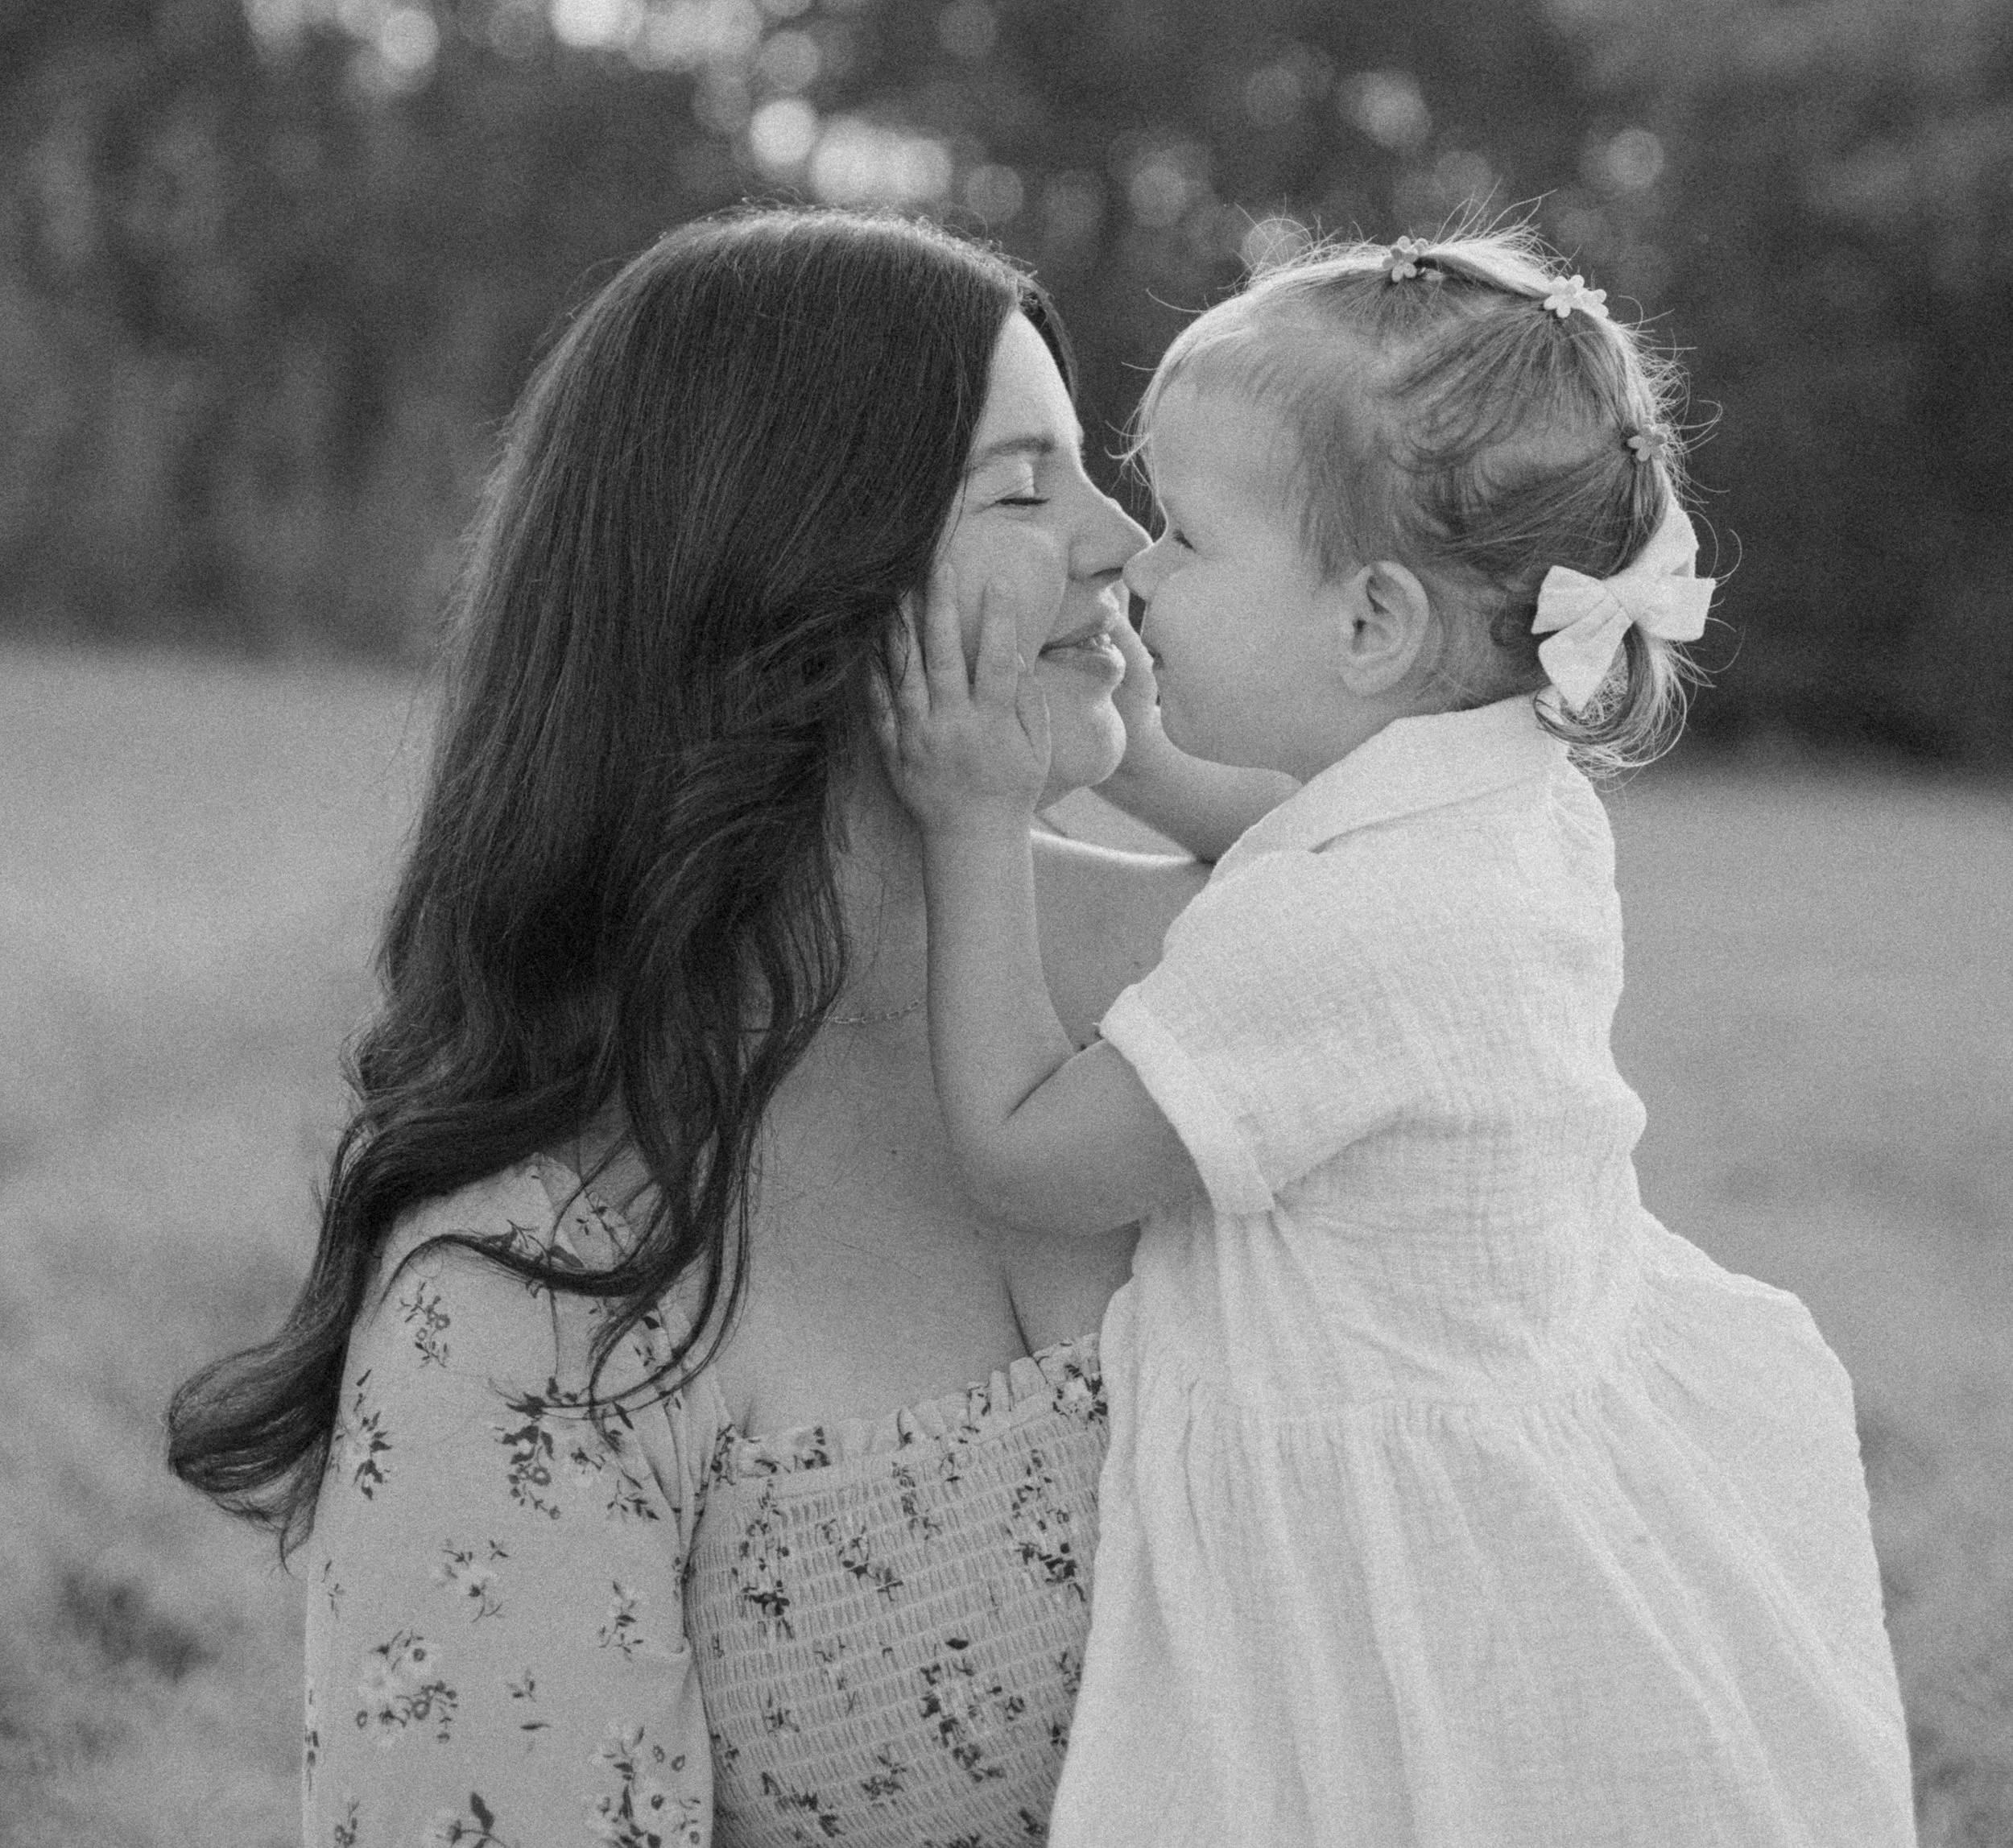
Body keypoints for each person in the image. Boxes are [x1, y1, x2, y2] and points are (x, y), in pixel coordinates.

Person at [166, 205, 1280, 1848]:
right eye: (1022, 489)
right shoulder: (532, 1286)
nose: (1120, 539)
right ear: (782, 568)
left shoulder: (1257, 979)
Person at [883, 224, 1918, 1848]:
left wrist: (971, 815)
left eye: (1186, 540)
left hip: (1398, 1563)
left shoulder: (1339, 935)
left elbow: (1031, 1155)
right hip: (1546, 1460)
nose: (1132, 569)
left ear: (1366, 626)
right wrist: (1151, 773)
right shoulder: (1494, 797)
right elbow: (1279, 833)